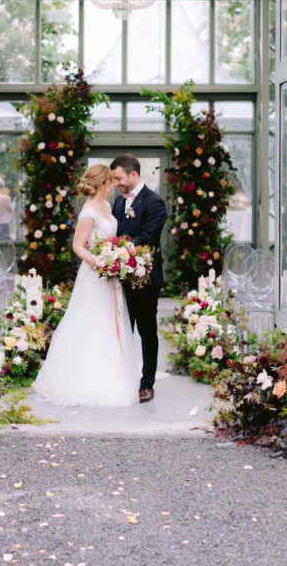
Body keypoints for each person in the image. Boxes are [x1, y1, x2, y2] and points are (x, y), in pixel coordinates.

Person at [33, 164, 140, 406]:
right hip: (95, 275)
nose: (115, 184)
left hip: (109, 274)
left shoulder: (105, 206)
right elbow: (78, 246)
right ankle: (84, 380)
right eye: (111, 181)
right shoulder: (89, 211)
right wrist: (101, 263)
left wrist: (119, 252)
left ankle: (114, 375)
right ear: (102, 184)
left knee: (110, 322)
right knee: (91, 321)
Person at [110, 154, 167, 403]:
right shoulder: (118, 202)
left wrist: (117, 247)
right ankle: (122, 379)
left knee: (146, 331)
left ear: (133, 174)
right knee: (122, 330)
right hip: (119, 278)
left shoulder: (154, 202)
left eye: (119, 178)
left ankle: (147, 383)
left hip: (144, 279)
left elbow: (148, 236)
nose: (116, 183)